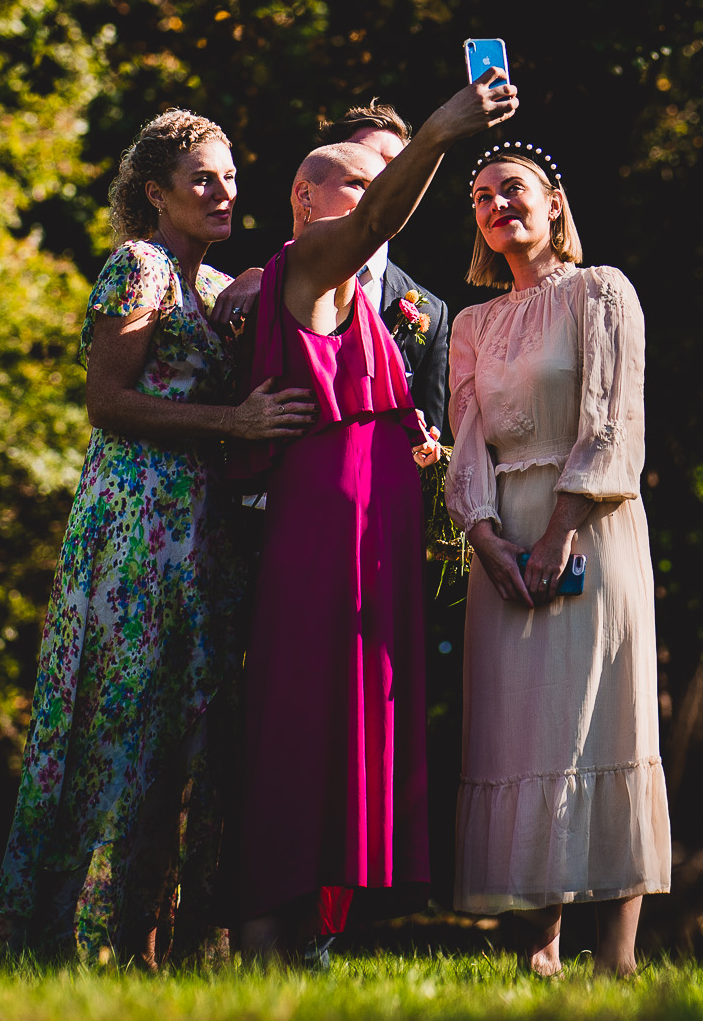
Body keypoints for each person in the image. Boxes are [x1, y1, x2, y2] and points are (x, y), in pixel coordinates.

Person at [0, 110, 318, 966]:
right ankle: (69, 935)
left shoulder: (210, 289)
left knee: (185, 729)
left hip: (204, 536)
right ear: (155, 193)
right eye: (203, 177)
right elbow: (107, 400)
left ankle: (146, 942)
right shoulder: (139, 266)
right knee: (119, 723)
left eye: (233, 176)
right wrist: (232, 419)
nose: (225, 191)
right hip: (135, 526)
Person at [227, 71, 518, 962]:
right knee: (296, 718)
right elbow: (376, 224)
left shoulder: (379, 301)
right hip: (319, 527)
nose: (372, 193)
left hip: (373, 532)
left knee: (350, 726)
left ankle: (315, 928)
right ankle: (263, 925)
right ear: (305, 198)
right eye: (354, 180)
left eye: (374, 180)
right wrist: (444, 127)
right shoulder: (312, 260)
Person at [449, 141, 669, 977]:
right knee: (520, 735)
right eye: (479, 196)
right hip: (503, 538)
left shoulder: (601, 291)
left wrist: (560, 531)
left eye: (512, 188)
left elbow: (612, 420)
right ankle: (537, 955)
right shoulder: (471, 323)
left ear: (553, 200)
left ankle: (615, 961)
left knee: (601, 720)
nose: (496, 204)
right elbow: (468, 440)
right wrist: (483, 533)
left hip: (590, 529)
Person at [216, 100, 453, 445]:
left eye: (397, 168)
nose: (383, 181)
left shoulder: (431, 310)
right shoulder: (260, 277)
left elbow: (432, 430)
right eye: (363, 166)